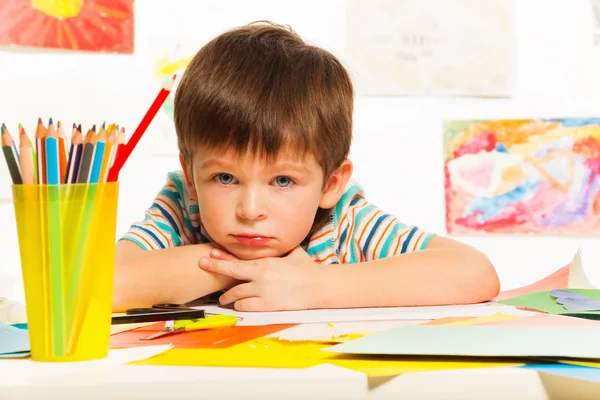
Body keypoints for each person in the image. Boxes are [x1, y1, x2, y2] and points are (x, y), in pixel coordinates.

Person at [113, 21, 500, 312]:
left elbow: (474, 273)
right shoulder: (183, 208)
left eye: (282, 180)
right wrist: (228, 269)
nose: (250, 211)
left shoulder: (341, 220)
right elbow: (94, 285)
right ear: (192, 177)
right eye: (225, 177)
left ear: (331, 183)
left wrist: (314, 286)